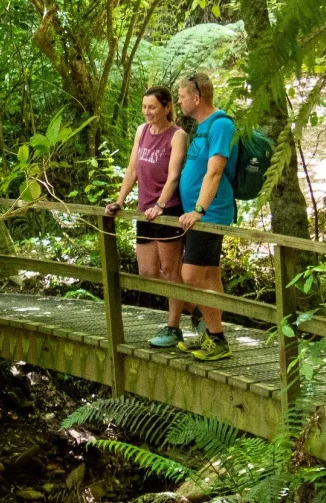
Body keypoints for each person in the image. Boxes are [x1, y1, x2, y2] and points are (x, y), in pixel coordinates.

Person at [105, 87, 194, 349]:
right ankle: (197, 310)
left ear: (167, 107)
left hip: (168, 210)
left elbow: (173, 174)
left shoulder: (177, 135)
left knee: (170, 270)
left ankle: (174, 327)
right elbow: (133, 169)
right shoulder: (141, 131)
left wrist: (161, 204)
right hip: (145, 210)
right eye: (144, 107)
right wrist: (120, 201)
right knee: (147, 272)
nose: (147, 112)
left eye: (152, 107)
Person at [174, 72, 236, 361]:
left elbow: (215, 170)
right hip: (199, 216)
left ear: (196, 99)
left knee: (191, 275)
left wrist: (199, 210)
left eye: (182, 96)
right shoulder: (200, 126)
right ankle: (211, 335)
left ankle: (217, 338)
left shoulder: (220, 125)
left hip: (210, 215)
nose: (178, 100)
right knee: (209, 275)